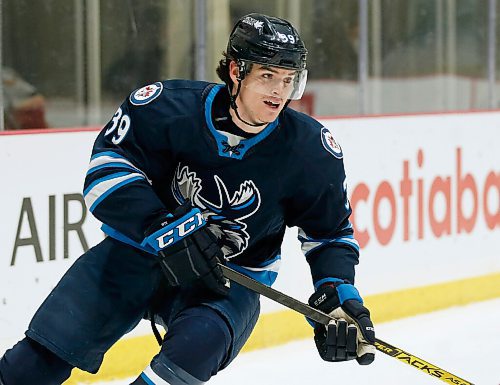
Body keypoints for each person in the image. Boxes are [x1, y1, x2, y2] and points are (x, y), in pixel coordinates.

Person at [0, 13, 375, 385]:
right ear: (234, 71)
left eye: (288, 79)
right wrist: (162, 227)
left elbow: (329, 234)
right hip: (136, 255)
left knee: (180, 368)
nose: (279, 91)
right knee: (28, 368)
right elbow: (105, 173)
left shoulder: (311, 151)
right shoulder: (166, 108)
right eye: (267, 76)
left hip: (229, 280)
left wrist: (335, 292)